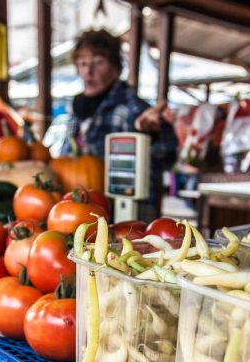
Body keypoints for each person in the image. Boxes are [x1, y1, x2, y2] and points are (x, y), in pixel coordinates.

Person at [62, 29, 178, 219]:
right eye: (83, 63)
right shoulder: (76, 109)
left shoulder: (132, 107)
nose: (88, 71)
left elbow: (169, 155)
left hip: (126, 216)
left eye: (98, 62)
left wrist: (152, 134)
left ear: (116, 68)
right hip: (83, 213)